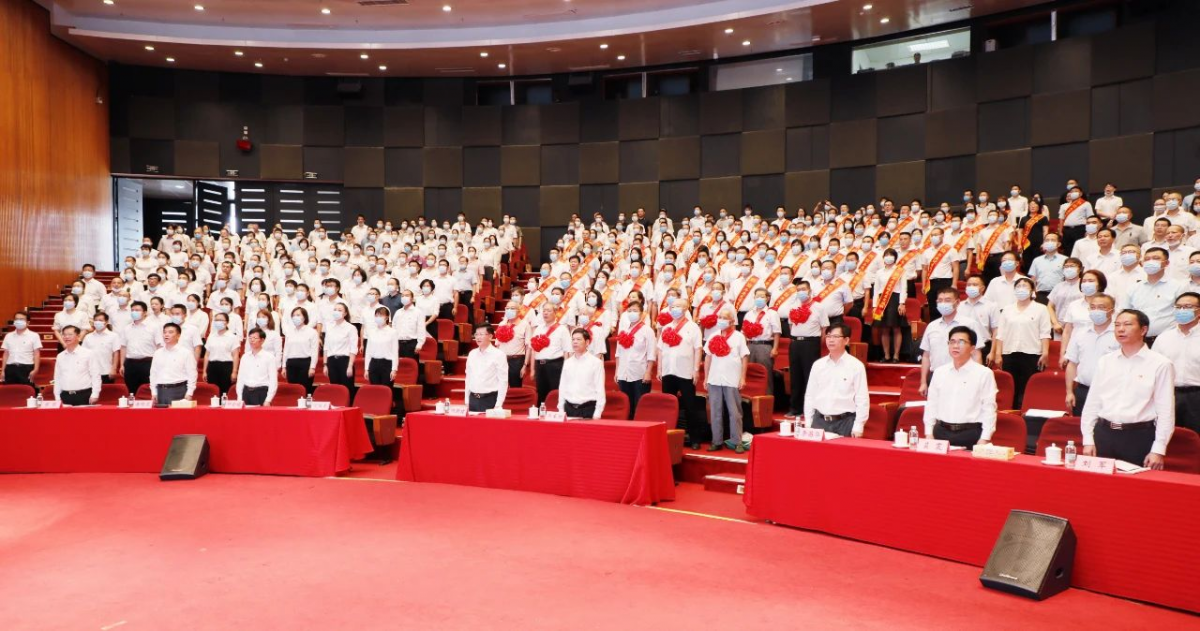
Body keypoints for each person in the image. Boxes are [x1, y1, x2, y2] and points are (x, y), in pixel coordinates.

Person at [1081, 309, 1175, 470]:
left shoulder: (1160, 364)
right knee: (1099, 489)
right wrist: (1088, 439)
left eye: (1127, 324)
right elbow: (1093, 402)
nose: (1120, 329)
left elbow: (1166, 410)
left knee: (1135, 491)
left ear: (1143, 330)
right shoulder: (1106, 361)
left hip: (1138, 436)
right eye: (1117, 325)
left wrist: (1158, 449)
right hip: (1103, 434)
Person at [923, 326, 998, 447]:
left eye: (961, 342)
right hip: (940, 432)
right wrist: (928, 433)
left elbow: (989, 408)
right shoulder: (939, 372)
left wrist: (985, 438)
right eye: (952, 341)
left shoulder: (984, 373)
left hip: (970, 433)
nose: (955, 346)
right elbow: (932, 403)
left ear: (972, 348)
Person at [990, 277, 1052, 409]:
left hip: (1032, 353)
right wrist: (998, 354)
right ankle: (1011, 413)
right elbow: (1000, 333)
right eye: (1018, 286)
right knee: (1012, 387)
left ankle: (1026, 414)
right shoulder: (1007, 309)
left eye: (1025, 286)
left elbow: (1045, 333)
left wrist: (1045, 353)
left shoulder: (1041, 309)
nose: (1021, 289)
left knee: (1028, 387)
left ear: (1032, 291)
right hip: (1009, 353)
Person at [803, 323, 869, 438]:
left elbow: (862, 398)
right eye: (828, 336)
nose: (830, 340)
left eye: (835, 337)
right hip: (819, 421)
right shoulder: (818, 365)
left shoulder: (856, 366)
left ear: (846, 340)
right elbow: (810, 395)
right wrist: (808, 421)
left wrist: (859, 425)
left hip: (845, 422)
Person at [657, 297, 704, 449]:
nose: (674, 309)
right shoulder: (666, 327)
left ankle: (695, 438)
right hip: (668, 371)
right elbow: (660, 349)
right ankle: (668, 436)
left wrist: (696, 370)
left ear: (685, 309)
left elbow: (698, 349)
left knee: (690, 406)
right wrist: (659, 368)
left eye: (678, 306)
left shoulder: (693, 327)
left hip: (685, 372)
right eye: (673, 306)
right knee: (668, 406)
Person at [1149, 292, 1200, 433]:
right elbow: (1152, 369)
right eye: (1178, 307)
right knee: (1169, 437)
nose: (1182, 311)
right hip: (1169, 394)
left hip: (1197, 396)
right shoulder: (1163, 338)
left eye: (1188, 307)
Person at [1063, 293, 1119, 415]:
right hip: (1083, 390)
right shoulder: (1080, 333)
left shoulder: (1119, 335)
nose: (1096, 311)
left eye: (1102, 307)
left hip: (1110, 392)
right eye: (1093, 307)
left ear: (1112, 311)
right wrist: (1069, 392)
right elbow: (1072, 364)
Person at [919, 287, 984, 391]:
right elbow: (926, 356)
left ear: (957, 302)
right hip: (936, 377)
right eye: (940, 301)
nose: (943, 303)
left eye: (947, 300)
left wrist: (976, 379)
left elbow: (976, 353)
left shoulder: (969, 324)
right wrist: (923, 382)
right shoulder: (932, 326)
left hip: (962, 376)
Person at [703, 307, 749, 452]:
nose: (721, 320)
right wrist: (706, 378)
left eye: (724, 318)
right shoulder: (713, 335)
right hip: (714, 378)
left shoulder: (738, 336)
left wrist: (742, 377)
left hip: (732, 378)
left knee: (734, 411)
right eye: (720, 317)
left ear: (731, 321)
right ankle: (716, 440)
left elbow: (744, 357)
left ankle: (737, 441)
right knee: (715, 411)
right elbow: (708, 358)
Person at [783, 280, 830, 417]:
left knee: (810, 375)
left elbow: (824, 328)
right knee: (795, 376)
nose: (801, 292)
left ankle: (812, 408)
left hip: (811, 343)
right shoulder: (793, 307)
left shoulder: (819, 307)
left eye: (803, 289)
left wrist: (816, 343)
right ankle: (795, 408)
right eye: (798, 290)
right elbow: (791, 326)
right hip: (796, 343)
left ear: (809, 291)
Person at [1126, 247, 1183, 345]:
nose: (1150, 262)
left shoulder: (1178, 287)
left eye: (1156, 258)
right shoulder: (1134, 288)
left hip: (1168, 341)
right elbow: (1124, 312)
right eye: (1147, 259)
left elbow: (1182, 314)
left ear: (1166, 263)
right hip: (1138, 340)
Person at [614, 301, 655, 417]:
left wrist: (648, 372)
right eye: (630, 311)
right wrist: (617, 371)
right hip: (623, 373)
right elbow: (618, 353)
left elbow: (651, 354)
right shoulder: (623, 331)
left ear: (642, 314)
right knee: (626, 407)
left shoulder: (647, 331)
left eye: (635, 311)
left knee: (639, 406)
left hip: (639, 374)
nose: (632, 313)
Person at [559, 328, 606, 419]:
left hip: (588, 409)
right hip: (569, 409)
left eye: (578, 339)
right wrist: (561, 409)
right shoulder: (567, 363)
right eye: (573, 339)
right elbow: (562, 387)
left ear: (587, 342)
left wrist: (597, 413)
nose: (575, 342)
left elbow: (600, 389)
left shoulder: (596, 363)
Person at [528, 306, 572, 404]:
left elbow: (567, 351)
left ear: (555, 313)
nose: (545, 313)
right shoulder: (538, 329)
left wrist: (567, 369)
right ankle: (541, 415)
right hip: (539, 365)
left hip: (555, 365)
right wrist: (532, 369)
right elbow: (533, 350)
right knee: (541, 392)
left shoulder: (562, 329)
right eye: (544, 311)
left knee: (555, 392)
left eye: (548, 310)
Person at [118, 301, 160, 397]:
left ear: (145, 312)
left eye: (137, 310)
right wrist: (122, 365)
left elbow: (159, 346)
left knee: (148, 392)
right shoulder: (126, 328)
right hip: (130, 364)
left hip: (148, 363)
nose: (134, 312)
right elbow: (123, 347)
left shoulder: (154, 327)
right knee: (132, 392)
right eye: (132, 310)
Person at [463, 323, 508, 412]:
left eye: (481, 334)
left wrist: (498, 404)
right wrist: (467, 400)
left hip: (489, 399)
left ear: (490, 336)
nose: (478, 337)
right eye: (476, 334)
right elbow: (468, 378)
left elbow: (503, 381)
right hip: (473, 399)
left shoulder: (499, 355)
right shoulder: (472, 354)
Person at [149, 322, 197, 405]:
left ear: (178, 335)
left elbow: (192, 374)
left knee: (178, 417)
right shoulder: (157, 353)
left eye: (170, 332)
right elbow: (153, 373)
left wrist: (189, 393)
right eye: (165, 332)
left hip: (179, 389)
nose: (166, 335)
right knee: (161, 417)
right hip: (161, 390)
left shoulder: (185, 353)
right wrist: (154, 392)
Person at [53, 326, 100, 406]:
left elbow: (95, 375)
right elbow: (57, 377)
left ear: (78, 336)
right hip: (65, 396)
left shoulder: (88, 353)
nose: (66, 337)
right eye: (64, 334)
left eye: (70, 334)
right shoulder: (60, 356)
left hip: (84, 395)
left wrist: (95, 394)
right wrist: (57, 396)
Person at [236, 328, 279, 406]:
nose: (252, 340)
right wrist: (239, 397)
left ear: (262, 340)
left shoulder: (269, 357)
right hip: (246, 393)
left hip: (261, 392)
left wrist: (268, 399)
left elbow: (273, 380)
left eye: (255, 338)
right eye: (250, 338)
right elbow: (240, 378)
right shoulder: (245, 357)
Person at [322, 303, 359, 393]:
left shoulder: (350, 328)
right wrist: (325, 364)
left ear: (345, 313)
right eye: (335, 310)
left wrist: (350, 365)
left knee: (347, 389)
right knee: (335, 389)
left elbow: (353, 348)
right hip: (332, 361)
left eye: (340, 310)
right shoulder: (329, 327)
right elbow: (326, 347)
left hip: (345, 361)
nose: (336, 312)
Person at [203, 312, 240, 396]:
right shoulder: (211, 336)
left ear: (227, 322)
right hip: (212, 366)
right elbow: (207, 355)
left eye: (220, 320)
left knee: (225, 392)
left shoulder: (232, 337)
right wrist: (205, 371)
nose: (218, 322)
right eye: (216, 320)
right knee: (213, 393)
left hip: (226, 366)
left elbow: (235, 356)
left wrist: (234, 372)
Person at [283, 307, 319, 394]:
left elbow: (314, 351)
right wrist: (284, 366)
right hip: (291, 363)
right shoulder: (289, 332)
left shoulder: (311, 332)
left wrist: (312, 367)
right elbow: (286, 350)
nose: (295, 317)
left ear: (304, 317)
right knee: (293, 390)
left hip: (305, 363)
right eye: (293, 315)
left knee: (305, 390)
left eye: (298, 315)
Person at [495, 301, 530, 389]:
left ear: (519, 311)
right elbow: (497, 345)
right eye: (507, 308)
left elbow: (528, 347)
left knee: (515, 387)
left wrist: (525, 365)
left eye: (512, 308)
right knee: (501, 387)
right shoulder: (502, 324)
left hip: (516, 360)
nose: (509, 310)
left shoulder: (525, 325)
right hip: (502, 360)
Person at [2, 312, 41, 388]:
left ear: (28, 322)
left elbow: (36, 354)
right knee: (10, 392)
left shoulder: (34, 335)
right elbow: (6, 354)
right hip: (10, 368)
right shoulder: (8, 336)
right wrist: (3, 370)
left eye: (21, 319)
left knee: (27, 392)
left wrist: (35, 369)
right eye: (16, 319)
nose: (18, 321)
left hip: (26, 368)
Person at [363, 306, 399, 386]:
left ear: (386, 317)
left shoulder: (392, 332)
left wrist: (394, 369)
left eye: (381, 315)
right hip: (373, 363)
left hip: (387, 364)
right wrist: (366, 368)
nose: (378, 318)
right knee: (375, 390)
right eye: (376, 316)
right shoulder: (371, 332)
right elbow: (368, 352)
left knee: (386, 389)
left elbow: (395, 352)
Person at [81, 312, 120, 385]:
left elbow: (116, 353)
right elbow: (83, 354)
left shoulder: (113, 336)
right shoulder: (88, 337)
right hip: (91, 372)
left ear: (106, 322)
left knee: (106, 395)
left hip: (107, 371)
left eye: (100, 320)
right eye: (96, 320)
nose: (98, 322)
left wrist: (114, 369)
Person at [392, 289, 426, 362]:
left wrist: (419, 344)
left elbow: (421, 329)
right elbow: (394, 328)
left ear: (412, 298)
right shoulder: (398, 312)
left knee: (411, 368)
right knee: (399, 368)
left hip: (411, 344)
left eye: (407, 295)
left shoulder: (418, 312)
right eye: (403, 296)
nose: (404, 297)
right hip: (398, 344)